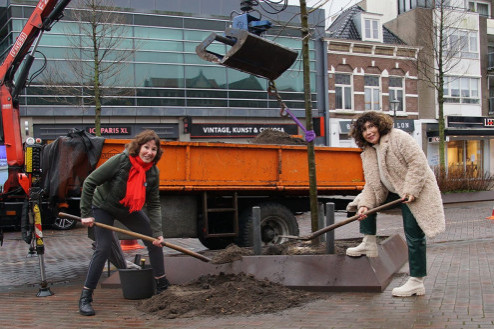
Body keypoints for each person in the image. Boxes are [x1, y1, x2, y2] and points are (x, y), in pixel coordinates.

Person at [346, 111, 445, 297]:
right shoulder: (368, 152)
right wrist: (366, 205)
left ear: (379, 125)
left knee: (414, 235)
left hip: (417, 189)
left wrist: (411, 190)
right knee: (365, 204)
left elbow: (418, 163)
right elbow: (373, 185)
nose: (368, 132)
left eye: (371, 126)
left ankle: (416, 281)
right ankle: (369, 243)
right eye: (364, 130)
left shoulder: (398, 137)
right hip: (393, 192)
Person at [78, 130, 168, 316]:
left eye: (153, 149)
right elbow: (89, 182)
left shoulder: (153, 172)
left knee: (154, 240)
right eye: (146, 147)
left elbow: (154, 204)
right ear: (139, 147)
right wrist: (86, 214)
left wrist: (158, 232)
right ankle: (86, 297)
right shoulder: (121, 161)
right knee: (103, 248)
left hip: (129, 209)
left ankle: (162, 286)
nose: (149, 152)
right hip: (103, 206)